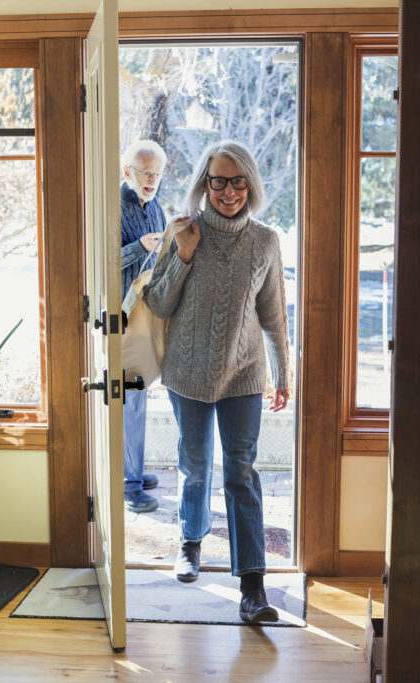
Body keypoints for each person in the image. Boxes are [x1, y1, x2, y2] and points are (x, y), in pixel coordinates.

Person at [144, 140, 291, 624]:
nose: (228, 191)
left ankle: (252, 584)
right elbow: (159, 304)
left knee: (241, 473)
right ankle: (191, 540)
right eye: (218, 181)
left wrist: (284, 374)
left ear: (250, 184)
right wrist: (183, 256)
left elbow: (273, 316)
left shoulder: (266, 241)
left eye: (237, 181)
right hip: (188, 372)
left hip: (245, 373)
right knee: (194, 465)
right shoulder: (183, 230)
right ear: (204, 184)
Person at [120, 139, 167, 514]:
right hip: (118, 317)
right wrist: (140, 246)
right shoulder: (111, 207)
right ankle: (128, 482)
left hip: (145, 315)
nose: (152, 180)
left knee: (138, 395)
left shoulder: (157, 209)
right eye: (145, 172)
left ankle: (131, 469)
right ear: (127, 172)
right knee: (128, 395)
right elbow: (99, 261)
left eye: (157, 173)